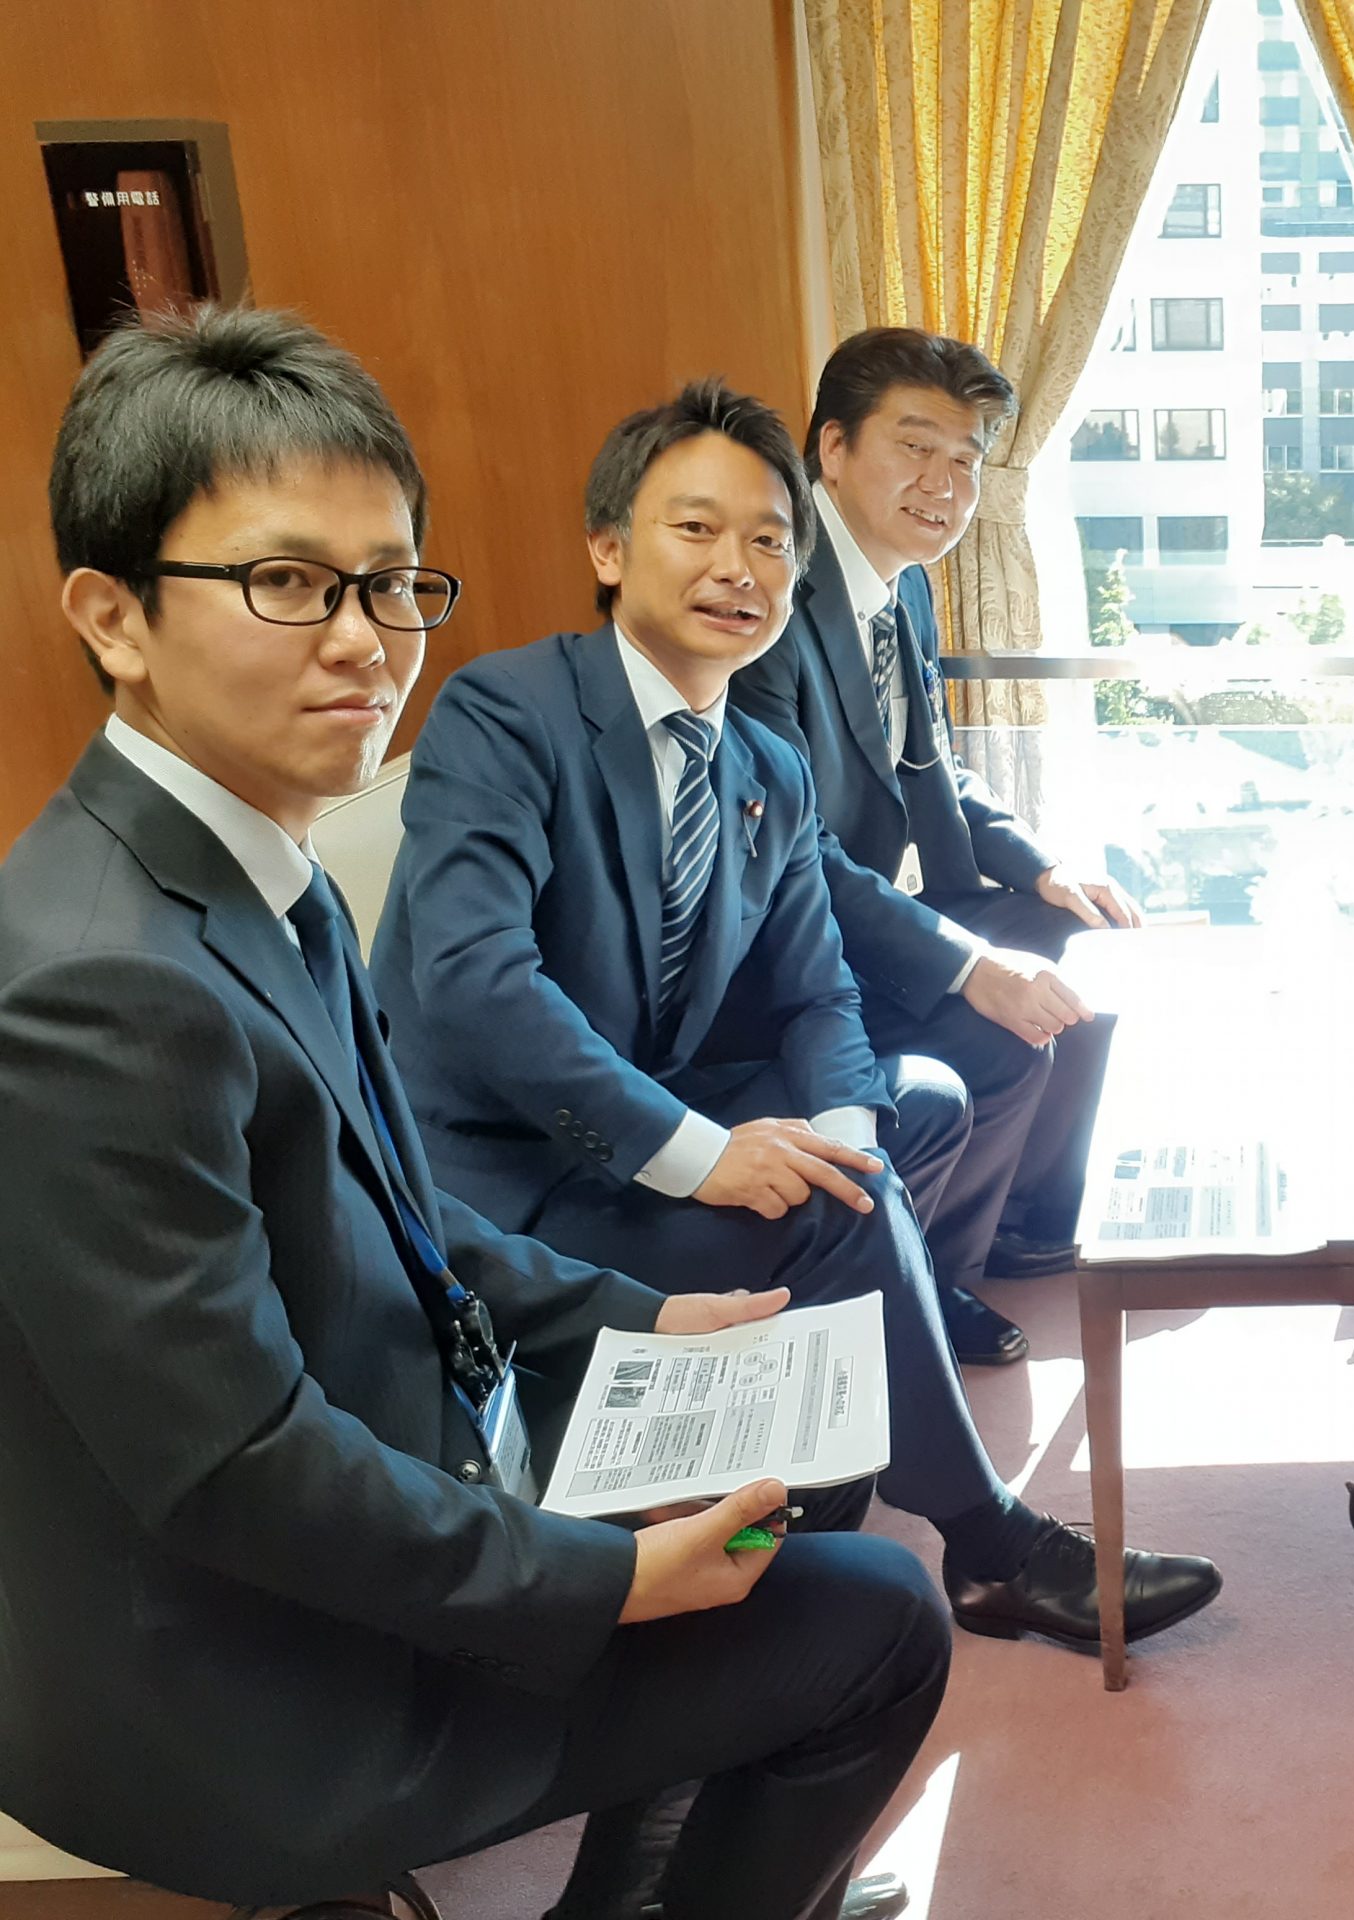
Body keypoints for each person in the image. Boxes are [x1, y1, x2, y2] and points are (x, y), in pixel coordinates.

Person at [0, 304, 941, 1920]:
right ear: (115, 616)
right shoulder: (101, 984)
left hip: (381, 1478)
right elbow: (236, 1471)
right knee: (883, 1628)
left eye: (390, 584)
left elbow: (395, 1208)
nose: (364, 641)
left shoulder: (256, 872)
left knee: (791, 1440)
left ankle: (637, 1887)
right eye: (287, 582)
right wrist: (606, 1578)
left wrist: (645, 1319)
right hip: (247, 1696)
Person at [371, 377, 1221, 1665]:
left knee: (903, 1114)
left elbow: (819, 986)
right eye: (696, 529)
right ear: (608, 549)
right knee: (844, 1211)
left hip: (639, 1113)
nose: (740, 567)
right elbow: (476, 981)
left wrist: (847, 1138)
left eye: (769, 539)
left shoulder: (762, 765)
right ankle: (988, 1544)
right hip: (497, 1176)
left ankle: (818, 1472)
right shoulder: (507, 713)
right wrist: (703, 1155)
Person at [732, 327, 1134, 1368]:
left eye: (965, 458)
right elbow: (793, 853)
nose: (945, 485)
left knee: (1083, 937)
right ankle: (927, 1288)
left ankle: (1016, 1225)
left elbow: (933, 765)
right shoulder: (769, 596)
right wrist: (969, 965)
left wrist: (1040, 866)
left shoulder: (902, 581)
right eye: (915, 447)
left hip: (900, 898)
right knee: (1003, 1031)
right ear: (831, 449)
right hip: (800, 941)